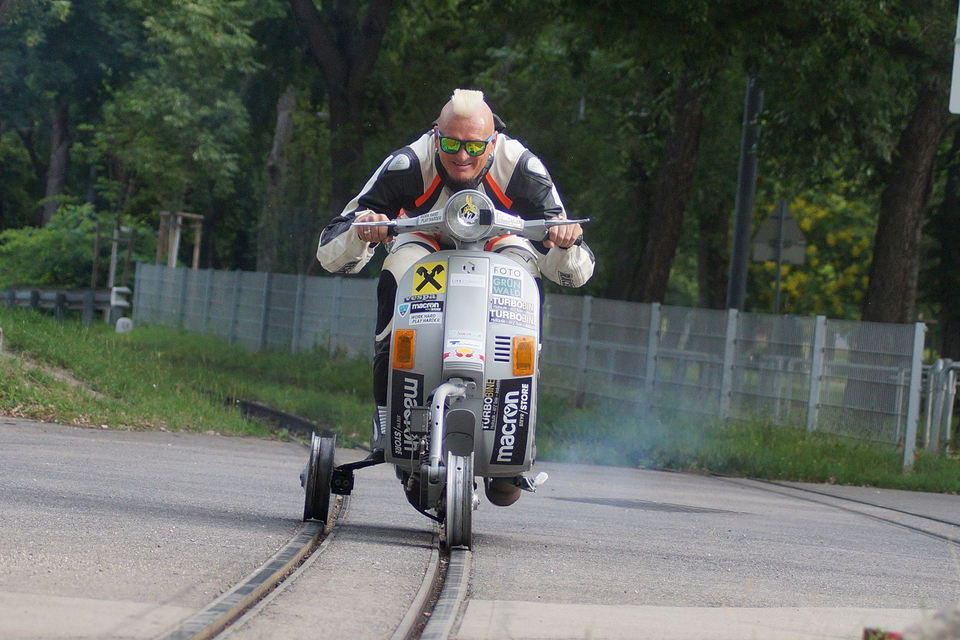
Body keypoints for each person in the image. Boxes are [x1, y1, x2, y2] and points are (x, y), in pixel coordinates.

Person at [316, 88, 594, 506]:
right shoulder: (408, 164)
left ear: (493, 142)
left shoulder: (522, 167)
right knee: (397, 271)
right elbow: (330, 247)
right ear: (435, 135)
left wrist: (564, 243)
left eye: (474, 147)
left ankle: (513, 442)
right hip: (424, 241)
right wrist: (364, 230)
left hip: (501, 246)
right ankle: (390, 421)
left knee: (525, 283)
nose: (461, 157)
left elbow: (577, 267)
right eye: (450, 144)